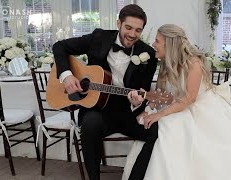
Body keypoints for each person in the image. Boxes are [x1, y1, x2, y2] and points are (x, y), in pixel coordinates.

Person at [122, 24, 231, 180]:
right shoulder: (165, 62)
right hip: (178, 106)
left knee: (170, 132)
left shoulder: (193, 63)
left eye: (157, 41)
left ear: (170, 43)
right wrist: (150, 108)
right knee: (155, 128)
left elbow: (189, 98)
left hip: (198, 108)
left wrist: (159, 114)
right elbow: (160, 92)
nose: (153, 44)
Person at [52, 4, 158, 180]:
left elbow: (144, 90)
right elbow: (59, 47)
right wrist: (67, 76)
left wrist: (137, 102)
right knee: (90, 124)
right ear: (119, 23)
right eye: (128, 27)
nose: (132, 34)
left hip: (126, 112)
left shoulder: (148, 54)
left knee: (155, 132)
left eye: (138, 30)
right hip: (96, 109)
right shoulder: (99, 38)